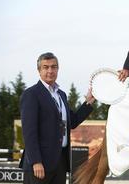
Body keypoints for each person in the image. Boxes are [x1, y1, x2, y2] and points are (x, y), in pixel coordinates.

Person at [19, 52, 95, 184]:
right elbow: (29, 132)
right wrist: (36, 161)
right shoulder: (31, 94)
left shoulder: (61, 95)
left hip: (60, 162)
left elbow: (73, 121)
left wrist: (88, 103)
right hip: (39, 164)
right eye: (46, 67)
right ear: (39, 70)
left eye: (54, 67)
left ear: (58, 69)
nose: (50, 70)